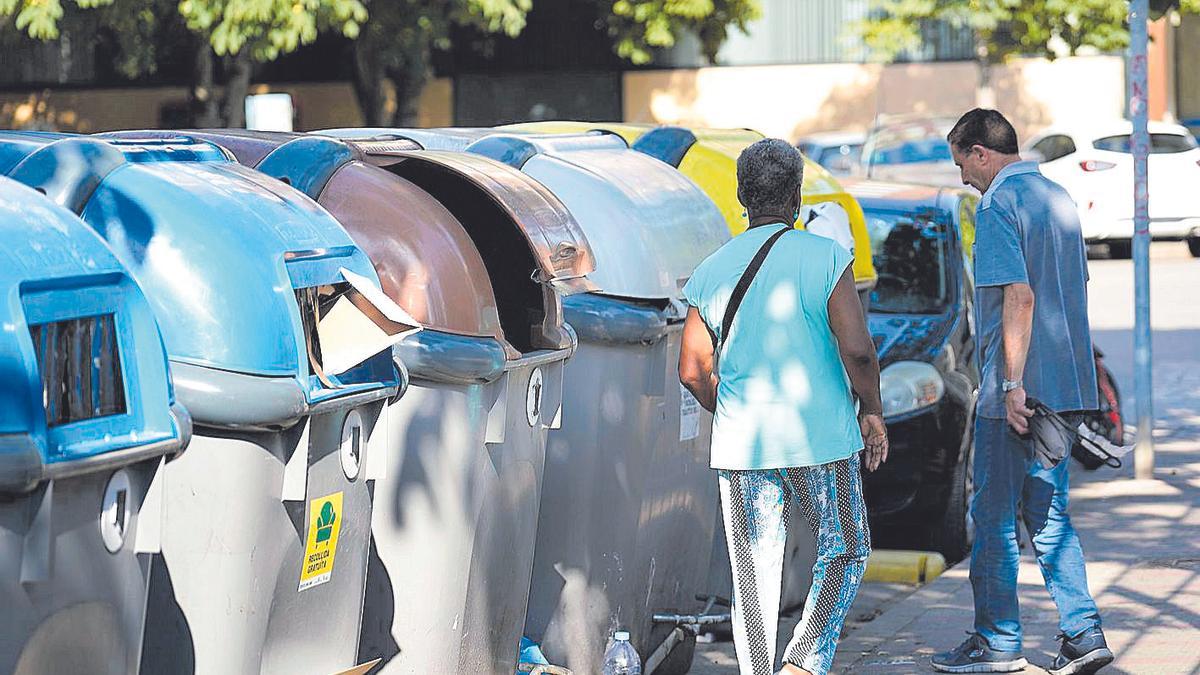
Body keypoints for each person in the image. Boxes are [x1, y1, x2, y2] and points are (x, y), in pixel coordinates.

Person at [678, 138, 888, 675]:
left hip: (744, 443)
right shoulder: (825, 256)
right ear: (796, 197)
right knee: (844, 549)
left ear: (743, 196)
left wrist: (726, 409)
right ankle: (805, 658)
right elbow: (858, 350)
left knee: (753, 577)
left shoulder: (711, 269)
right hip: (821, 437)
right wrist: (872, 410)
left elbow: (692, 369)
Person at [932, 109, 1113, 675]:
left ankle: (997, 643)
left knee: (991, 516)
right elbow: (1075, 289)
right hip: (1063, 390)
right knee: (1050, 513)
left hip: (1016, 394)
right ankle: (1083, 635)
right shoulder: (1059, 198)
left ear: (981, 153)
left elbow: (1020, 297)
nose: (963, 176)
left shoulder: (996, 206)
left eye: (962, 162)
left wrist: (1010, 386)